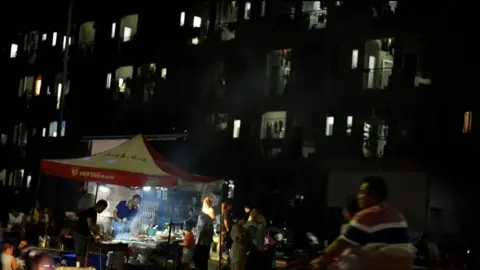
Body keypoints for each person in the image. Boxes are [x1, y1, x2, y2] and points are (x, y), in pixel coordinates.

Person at [310, 176, 414, 270]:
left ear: (372, 195)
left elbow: (341, 244)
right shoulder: (396, 213)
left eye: (362, 192)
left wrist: (320, 260)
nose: (359, 196)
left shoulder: (366, 215)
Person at [74, 200, 108, 267]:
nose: (102, 211)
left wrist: (96, 234)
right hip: (79, 234)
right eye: (103, 209)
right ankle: (78, 268)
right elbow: (90, 225)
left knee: (84, 254)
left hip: (85, 235)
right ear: (99, 206)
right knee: (79, 254)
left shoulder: (94, 213)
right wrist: (98, 234)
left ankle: (83, 267)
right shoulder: (91, 211)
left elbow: (92, 227)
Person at [194, 204, 213, 270]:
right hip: (207, 243)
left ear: (198, 209)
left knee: (200, 262)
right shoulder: (207, 216)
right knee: (204, 262)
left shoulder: (201, 217)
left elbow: (203, 228)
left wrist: (198, 242)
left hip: (202, 243)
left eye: (194, 210)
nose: (194, 212)